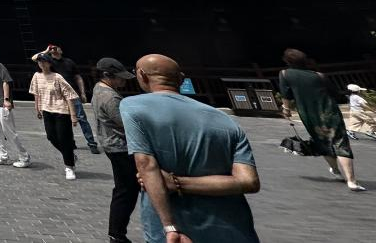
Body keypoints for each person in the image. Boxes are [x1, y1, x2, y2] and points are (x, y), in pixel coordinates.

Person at [121, 54, 260, 243]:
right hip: (234, 228)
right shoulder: (226, 121)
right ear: (181, 79)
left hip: (179, 232)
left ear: (142, 75)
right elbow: (249, 182)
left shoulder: (133, 106)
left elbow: (145, 164)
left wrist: (169, 224)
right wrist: (182, 182)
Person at [278, 48, 365, 191]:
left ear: (287, 61)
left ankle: (335, 170)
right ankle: (351, 181)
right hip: (330, 112)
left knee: (322, 141)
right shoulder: (319, 75)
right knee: (341, 143)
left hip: (309, 114)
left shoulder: (285, 74)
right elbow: (335, 93)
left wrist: (286, 110)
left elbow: (286, 94)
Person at [93, 57, 140, 243]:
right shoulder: (111, 97)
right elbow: (125, 123)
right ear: (108, 75)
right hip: (120, 146)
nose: (123, 80)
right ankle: (117, 234)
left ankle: (116, 233)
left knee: (124, 189)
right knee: (127, 191)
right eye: (120, 77)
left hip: (109, 143)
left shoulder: (98, 88)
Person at [35, 43, 100, 154]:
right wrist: (46, 51)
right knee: (65, 120)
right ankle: (71, 142)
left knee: (82, 119)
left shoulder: (69, 62)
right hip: (58, 97)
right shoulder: (49, 62)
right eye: (52, 48)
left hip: (73, 95)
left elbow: (78, 77)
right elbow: (35, 58)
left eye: (57, 47)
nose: (54, 49)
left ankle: (92, 143)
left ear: (61, 50)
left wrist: (83, 92)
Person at [29, 52, 81, 180]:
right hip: (46, 110)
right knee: (51, 136)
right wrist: (37, 108)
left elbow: (69, 96)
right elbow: (36, 93)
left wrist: (73, 116)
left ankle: (69, 166)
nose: (42, 64)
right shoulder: (36, 76)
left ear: (50, 63)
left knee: (64, 139)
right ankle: (69, 155)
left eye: (44, 61)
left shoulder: (57, 77)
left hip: (61, 111)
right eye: (40, 62)